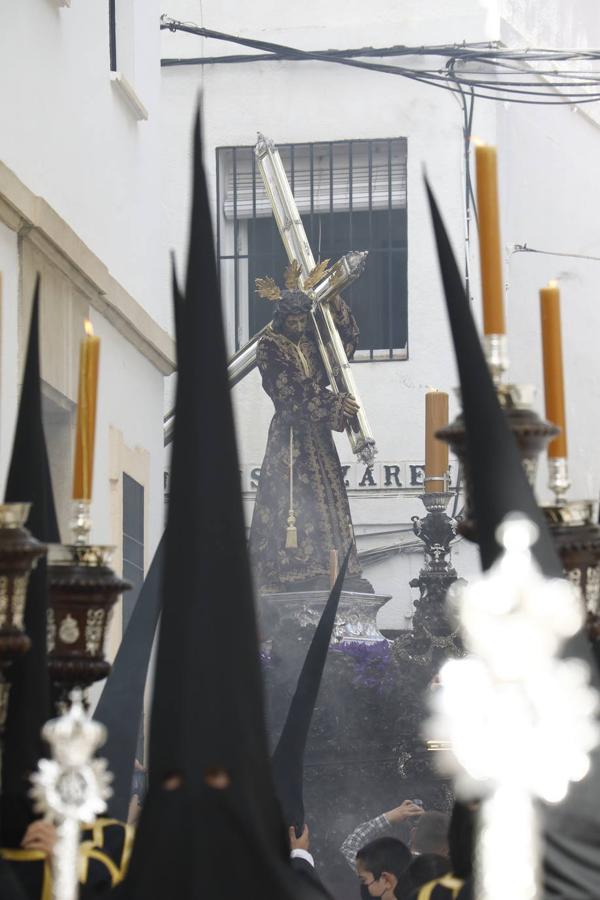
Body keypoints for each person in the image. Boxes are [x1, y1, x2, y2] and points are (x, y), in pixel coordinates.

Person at [248, 285, 372, 593]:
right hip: (289, 438)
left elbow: (342, 347)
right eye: (293, 321)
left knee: (330, 500)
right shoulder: (269, 346)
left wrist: (334, 298)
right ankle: (297, 571)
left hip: (318, 437)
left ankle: (335, 568)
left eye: (303, 320)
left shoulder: (310, 341)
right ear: (282, 318)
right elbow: (288, 389)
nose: (299, 326)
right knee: (293, 500)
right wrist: (333, 404)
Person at [340, 800, 425, 868]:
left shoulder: (393, 869)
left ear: (414, 833)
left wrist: (389, 817)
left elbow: (349, 847)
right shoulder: (435, 872)